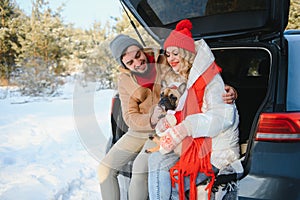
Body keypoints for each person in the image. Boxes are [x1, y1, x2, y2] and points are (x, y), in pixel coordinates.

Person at [98, 34, 237, 200]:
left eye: (138, 55)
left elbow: (192, 75)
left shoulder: (163, 60)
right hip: (141, 128)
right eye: (130, 62)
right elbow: (129, 117)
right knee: (104, 168)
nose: (138, 63)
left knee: (139, 168)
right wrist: (151, 118)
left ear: (142, 50)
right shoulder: (125, 80)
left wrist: (225, 88)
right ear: (124, 66)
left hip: (165, 128)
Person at [148, 19, 240, 200]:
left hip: (216, 152)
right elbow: (184, 110)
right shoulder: (192, 79)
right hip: (197, 145)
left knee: (171, 180)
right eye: (168, 54)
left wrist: (183, 128)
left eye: (176, 53)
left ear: (187, 54)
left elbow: (221, 118)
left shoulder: (211, 80)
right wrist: (170, 121)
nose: (171, 59)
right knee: (155, 160)